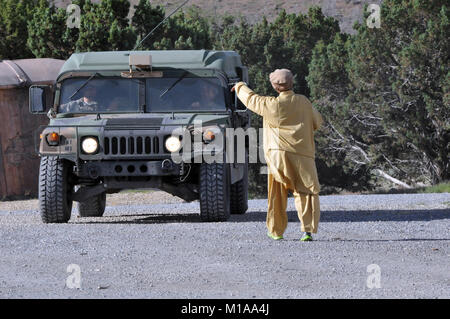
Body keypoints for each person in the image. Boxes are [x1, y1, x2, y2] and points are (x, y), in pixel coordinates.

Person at [232, 69, 323, 241]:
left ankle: (276, 231)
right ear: (292, 83)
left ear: (274, 86)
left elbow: (251, 99)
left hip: (277, 155)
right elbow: (317, 122)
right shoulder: (303, 102)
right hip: (302, 154)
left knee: (276, 192)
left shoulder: (270, 104)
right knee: (306, 191)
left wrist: (239, 86)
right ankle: (307, 231)